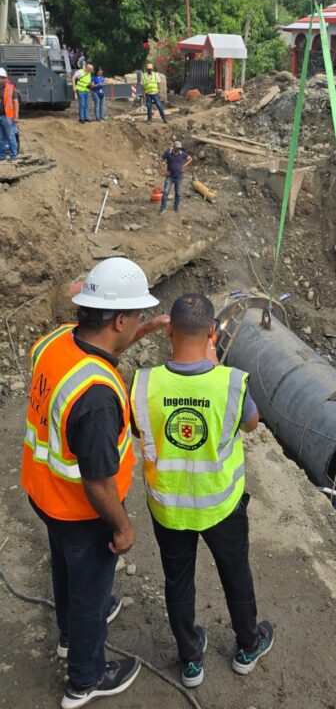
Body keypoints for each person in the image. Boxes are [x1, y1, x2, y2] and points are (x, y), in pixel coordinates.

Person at [21, 257, 169, 709]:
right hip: (83, 512)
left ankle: (70, 632)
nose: (140, 321)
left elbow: (97, 349)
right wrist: (123, 528)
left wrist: (144, 332)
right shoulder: (99, 396)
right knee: (90, 589)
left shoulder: (55, 343)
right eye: (138, 316)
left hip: (44, 493)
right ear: (119, 319)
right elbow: (100, 482)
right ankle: (85, 679)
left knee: (67, 568)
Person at [130, 294, 273, 690]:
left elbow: (140, 431)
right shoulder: (229, 382)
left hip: (169, 508)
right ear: (212, 333)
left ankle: (191, 660)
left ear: (169, 331)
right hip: (221, 506)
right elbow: (251, 424)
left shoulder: (144, 384)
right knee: (235, 574)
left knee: (178, 581)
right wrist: (214, 370)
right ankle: (247, 647)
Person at [159, 140, 192, 214]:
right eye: (177, 148)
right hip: (169, 177)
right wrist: (164, 171)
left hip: (178, 177)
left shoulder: (182, 154)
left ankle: (175, 207)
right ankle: (162, 208)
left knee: (178, 194)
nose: (178, 149)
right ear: (174, 147)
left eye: (180, 148)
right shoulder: (168, 153)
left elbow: (190, 158)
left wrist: (185, 165)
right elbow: (160, 160)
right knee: (165, 192)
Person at [0, 67, 19, 163]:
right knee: (1, 138)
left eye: (4, 78)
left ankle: (14, 157)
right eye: (1, 78)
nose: (3, 80)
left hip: (8, 117)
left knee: (11, 137)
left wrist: (16, 115)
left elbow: (15, 102)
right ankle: (2, 157)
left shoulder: (11, 88)